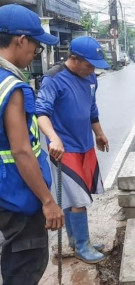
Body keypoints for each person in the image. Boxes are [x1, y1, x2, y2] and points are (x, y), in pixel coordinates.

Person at [0, 4, 64, 285]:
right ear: (20, 40)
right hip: (19, 196)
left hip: (4, 193)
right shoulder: (12, 86)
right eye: (36, 45)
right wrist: (48, 201)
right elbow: (22, 151)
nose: (35, 53)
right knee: (24, 270)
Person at [36, 36, 110, 264]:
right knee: (78, 199)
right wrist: (53, 137)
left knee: (73, 197)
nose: (92, 69)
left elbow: (92, 109)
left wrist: (99, 133)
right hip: (64, 151)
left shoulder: (91, 79)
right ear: (74, 59)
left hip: (85, 146)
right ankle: (82, 246)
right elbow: (41, 113)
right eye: (89, 65)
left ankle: (75, 240)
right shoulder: (53, 79)